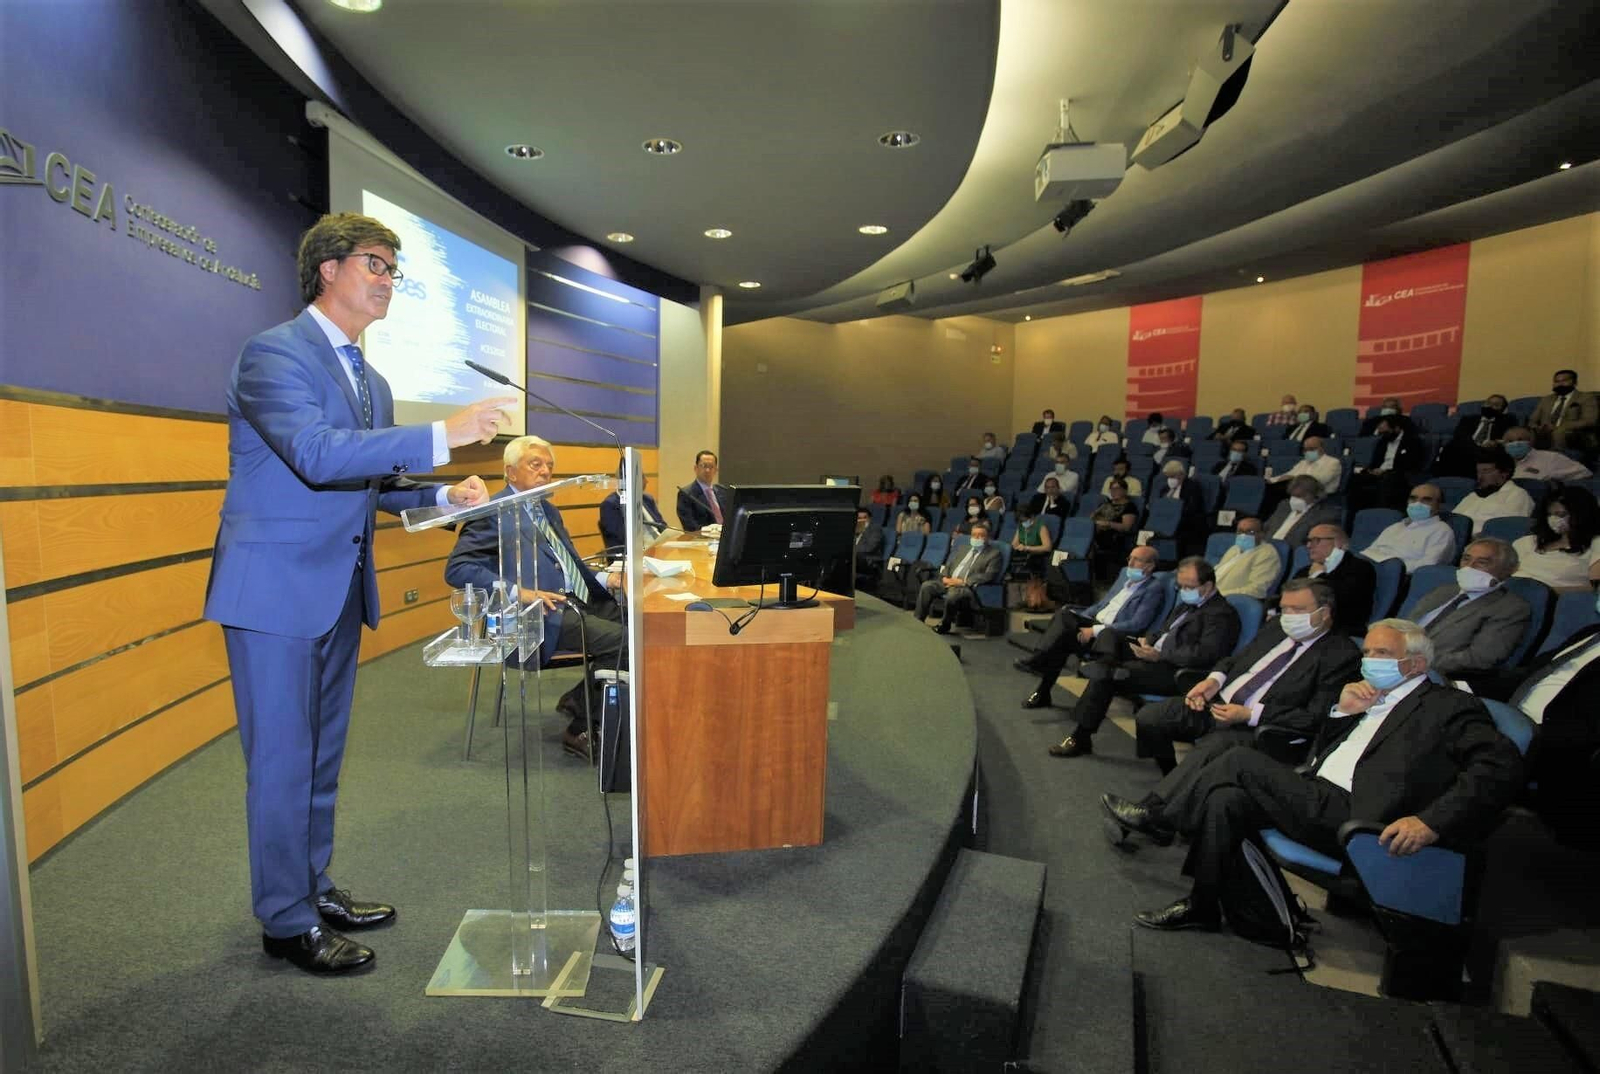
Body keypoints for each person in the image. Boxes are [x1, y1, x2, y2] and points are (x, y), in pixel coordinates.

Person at [205, 211, 512, 976]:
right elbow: (313, 454)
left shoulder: (370, 377)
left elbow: (367, 483)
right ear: (328, 268)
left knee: (319, 758)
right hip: (272, 594)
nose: (388, 282)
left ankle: (309, 886)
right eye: (376, 264)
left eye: (393, 270)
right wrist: (444, 434)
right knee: (281, 761)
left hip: (337, 589)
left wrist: (441, 500)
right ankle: (284, 920)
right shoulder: (272, 354)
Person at [1117, 619, 1522, 935]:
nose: (1369, 661)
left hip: (1361, 815)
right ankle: (1202, 906)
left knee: (1238, 759)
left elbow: (1499, 767)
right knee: (1226, 799)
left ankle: (1161, 820)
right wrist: (1343, 712)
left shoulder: (1449, 706)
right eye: (1367, 652)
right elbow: (1329, 752)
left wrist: (1432, 821)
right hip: (1315, 791)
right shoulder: (1369, 698)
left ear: (1416, 664)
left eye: (1381, 653)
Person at [447, 434, 627, 746]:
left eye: (549, 466)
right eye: (535, 464)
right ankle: (580, 729)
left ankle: (579, 698)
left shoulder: (548, 509)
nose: (545, 471)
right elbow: (458, 569)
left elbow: (567, 563)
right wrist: (520, 592)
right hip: (535, 612)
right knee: (623, 643)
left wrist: (603, 580)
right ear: (510, 471)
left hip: (575, 600)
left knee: (640, 627)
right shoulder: (493, 511)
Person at [1129, 579, 1361, 776]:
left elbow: (1314, 717)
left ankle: (1156, 810)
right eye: (1285, 609)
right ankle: (1171, 777)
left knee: (1210, 751)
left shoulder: (1341, 655)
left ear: (1325, 612)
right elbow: (1234, 660)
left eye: (1298, 610)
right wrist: (1214, 681)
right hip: (1217, 704)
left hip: (1260, 727)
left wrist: (1250, 715)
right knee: (1150, 716)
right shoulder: (1276, 629)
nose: (1288, 616)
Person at [1048, 557, 1241, 758]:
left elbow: (1205, 655)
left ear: (1208, 585)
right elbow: (1163, 631)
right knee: (1109, 634)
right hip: (1153, 654)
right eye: (1180, 586)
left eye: (1188, 586)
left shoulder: (1222, 615)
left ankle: (1080, 737)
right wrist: (1147, 641)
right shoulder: (1188, 604)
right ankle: (1106, 662)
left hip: (1174, 670)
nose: (1184, 591)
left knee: (1108, 676)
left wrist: (1160, 655)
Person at [1015, 546, 1165, 707]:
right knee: (1065, 618)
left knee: (1062, 636)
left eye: (1137, 560)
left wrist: (1093, 630)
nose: (1130, 563)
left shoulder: (1153, 589)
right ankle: (1041, 679)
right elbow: (1101, 604)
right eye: (1130, 558)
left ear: (1150, 566)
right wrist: (1082, 620)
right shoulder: (1124, 576)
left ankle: (1040, 671)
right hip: (1095, 624)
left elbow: (1136, 624)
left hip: (1112, 637)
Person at [1408, 537, 1532, 681]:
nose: (1470, 567)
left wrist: (1412, 662)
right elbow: (1405, 625)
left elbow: (1478, 658)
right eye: (1466, 559)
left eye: (1482, 562)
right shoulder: (1443, 591)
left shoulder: (1510, 608)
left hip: (1432, 674)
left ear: (1508, 570)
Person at [914, 521, 1003, 634]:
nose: (976, 538)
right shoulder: (964, 549)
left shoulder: (994, 554)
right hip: (949, 581)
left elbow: (989, 575)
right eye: (974, 535)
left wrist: (963, 582)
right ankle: (917, 620)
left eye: (980, 535)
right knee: (927, 586)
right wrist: (945, 577)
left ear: (987, 538)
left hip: (966, 587)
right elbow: (950, 564)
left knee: (953, 596)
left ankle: (945, 625)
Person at [1291, 524, 1377, 636]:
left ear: (1338, 543)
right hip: (1301, 625)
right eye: (1308, 541)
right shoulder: (1305, 571)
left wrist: (1318, 575)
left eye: (1316, 540)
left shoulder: (1360, 568)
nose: (1308, 545)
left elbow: (1339, 600)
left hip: (1338, 630)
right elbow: (1288, 594)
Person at [1511, 488, 1600, 592]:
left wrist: (1544, 593)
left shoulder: (1596, 543)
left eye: (1561, 515)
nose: (1553, 519)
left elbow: (1596, 588)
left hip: (1550, 603)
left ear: (1582, 514)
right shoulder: (1528, 541)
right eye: (1549, 515)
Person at [1361, 483, 1456, 572]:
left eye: (1426, 500)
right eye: (1413, 498)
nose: (1417, 503)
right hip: (1372, 573)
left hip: (1404, 580)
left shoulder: (1442, 531)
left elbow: (1427, 567)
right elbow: (1369, 552)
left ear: (1439, 506)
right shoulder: (1395, 526)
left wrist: (1391, 569)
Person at [1347, 414, 1427, 514]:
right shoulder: (1382, 441)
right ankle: (1355, 515)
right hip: (1379, 473)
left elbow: (1412, 464)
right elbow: (1375, 462)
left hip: (1399, 475)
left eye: (1386, 431)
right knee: (1355, 479)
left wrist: (1385, 471)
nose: (1383, 434)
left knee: (1388, 478)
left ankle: (1380, 513)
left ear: (1396, 428)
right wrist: (1371, 470)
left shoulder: (1412, 442)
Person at [1452, 447, 1535, 535]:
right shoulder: (1473, 495)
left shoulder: (1517, 495)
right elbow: (1454, 518)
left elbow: (1511, 530)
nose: (1480, 477)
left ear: (1504, 473)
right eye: (1478, 472)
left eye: (1486, 471)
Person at [1436, 394, 1514, 477]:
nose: (1490, 406)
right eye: (1488, 403)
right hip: (1467, 448)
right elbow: (1460, 435)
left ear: (1502, 410)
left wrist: (1496, 442)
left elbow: (1509, 438)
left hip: (1488, 451)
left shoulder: (1507, 421)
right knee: (1452, 446)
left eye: (1496, 405)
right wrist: (1475, 448)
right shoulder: (1468, 419)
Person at [1212, 517, 1282, 599]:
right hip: (1211, 591)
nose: (1243, 535)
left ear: (1261, 534)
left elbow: (1256, 590)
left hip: (1228, 599)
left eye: (1250, 532)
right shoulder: (1235, 548)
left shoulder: (1267, 554)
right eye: (1240, 531)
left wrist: (1220, 595)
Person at [1261, 476, 1341, 547]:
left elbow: (1315, 544)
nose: (1295, 500)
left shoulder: (1325, 515)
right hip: (1266, 547)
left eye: (1300, 496)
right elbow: (1266, 527)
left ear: (1315, 495)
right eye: (1293, 495)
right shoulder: (1284, 505)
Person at [1529, 369, 1597, 451]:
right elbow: (1532, 420)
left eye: (1564, 381)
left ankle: (1558, 459)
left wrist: (1558, 427)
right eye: (1556, 381)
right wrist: (1538, 427)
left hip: (1571, 432)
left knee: (1558, 432)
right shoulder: (1546, 399)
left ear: (1575, 383)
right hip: (1545, 431)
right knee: (1526, 433)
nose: (1560, 384)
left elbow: (1589, 420)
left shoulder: (1586, 397)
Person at [598, 470, 668, 549]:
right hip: (633, 552)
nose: (647, 481)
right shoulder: (610, 505)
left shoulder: (647, 499)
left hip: (659, 547)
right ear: (632, 480)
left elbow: (661, 525)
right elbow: (621, 536)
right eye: (643, 477)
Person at [1155, 459, 1207, 557]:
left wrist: (1175, 516)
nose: (1170, 479)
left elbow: (1193, 508)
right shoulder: (1165, 489)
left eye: (1173, 476)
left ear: (1182, 474)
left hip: (1187, 521)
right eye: (1168, 477)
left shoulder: (1192, 487)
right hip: (1166, 520)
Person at [1503, 425, 1593, 483]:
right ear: (1504, 444)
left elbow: (1584, 473)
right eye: (1510, 441)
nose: (1516, 444)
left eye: (1521, 439)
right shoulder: (1499, 462)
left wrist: (1557, 485)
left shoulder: (1550, 458)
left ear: (1530, 442)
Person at [1090, 478, 1140, 572]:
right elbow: (1092, 517)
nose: (1114, 491)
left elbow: (1126, 527)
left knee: (1089, 538)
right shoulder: (1105, 504)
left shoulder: (1129, 506)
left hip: (1113, 536)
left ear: (1125, 490)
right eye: (1112, 489)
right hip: (1096, 530)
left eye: (1117, 489)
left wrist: (1108, 524)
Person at [1267, 435, 1341, 496]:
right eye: (1305, 449)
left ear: (1322, 448)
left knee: (1275, 491)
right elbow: (1289, 474)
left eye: (1311, 449)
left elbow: (1319, 481)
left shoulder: (1332, 462)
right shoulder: (1303, 462)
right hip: (1295, 489)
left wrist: (1295, 479)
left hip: (1317, 494)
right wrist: (1272, 480)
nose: (1308, 452)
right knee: (1267, 487)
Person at [1009, 504, 1054, 605]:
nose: (1023, 523)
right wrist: (1017, 547)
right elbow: (1014, 543)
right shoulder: (1021, 527)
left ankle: (1033, 598)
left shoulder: (1040, 527)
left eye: (1025, 520)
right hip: (1024, 554)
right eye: (1021, 521)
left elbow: (1047, 547)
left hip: (1038, 556)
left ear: (1032, 516)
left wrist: (1027, 548)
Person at [677, 449, 731, 531]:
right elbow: (690, 526)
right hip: (703, 540)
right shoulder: (686, 494)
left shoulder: (723, 491)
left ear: (716, 470)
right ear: (696, 468)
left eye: (711, 467)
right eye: (704, 466)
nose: (707, 470)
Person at [854, 506, 884, 588]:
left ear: (870, 519)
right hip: (856, 559)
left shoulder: (875, 530)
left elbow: (870, 547)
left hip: (869, 561)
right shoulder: (854, 529)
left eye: (865, 518)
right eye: (859, 518)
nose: (862, 520)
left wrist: (863, 530)